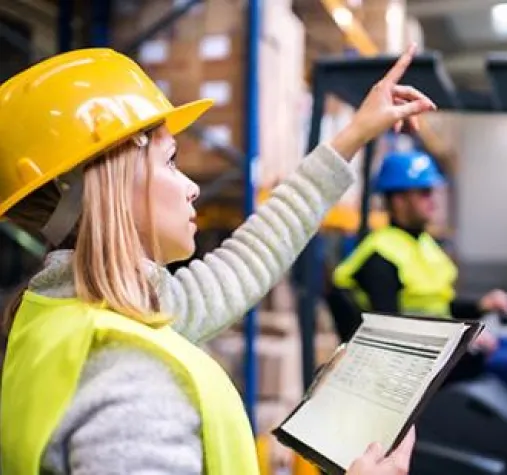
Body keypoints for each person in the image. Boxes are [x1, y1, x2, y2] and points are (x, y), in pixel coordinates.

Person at [0, 45, 436, 475]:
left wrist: (353, 135)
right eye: (170, 161)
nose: (191, 187)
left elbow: (246, 261)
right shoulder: (128, 377)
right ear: (107, 183)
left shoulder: (64, 319)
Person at [331, 148, 507, 475]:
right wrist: (464, 344)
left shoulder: (421, 245)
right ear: (398, 201)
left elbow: (436, 302)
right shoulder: (381, 257)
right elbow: (395, 335)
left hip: (439, 352)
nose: (433, 200)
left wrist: (480, 305)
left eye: (432, 191)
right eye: (423, 192)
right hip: (414, 369)